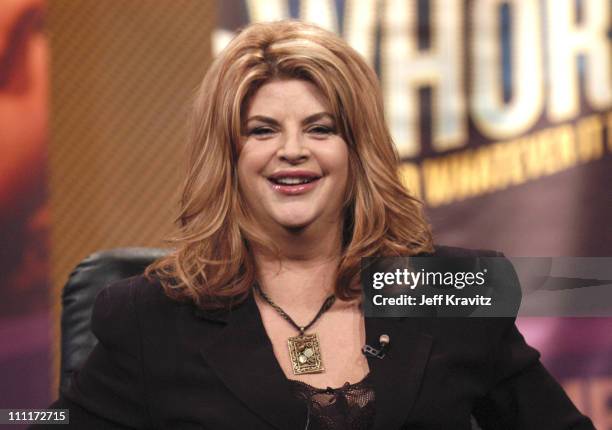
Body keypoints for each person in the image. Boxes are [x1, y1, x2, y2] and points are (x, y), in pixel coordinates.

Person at [34, 20, 594, 429]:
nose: (293, 151)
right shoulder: (148, 317)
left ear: (358, 151)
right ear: (227, 156)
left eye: (321, 128)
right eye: (262, 131)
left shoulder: (450, 291)